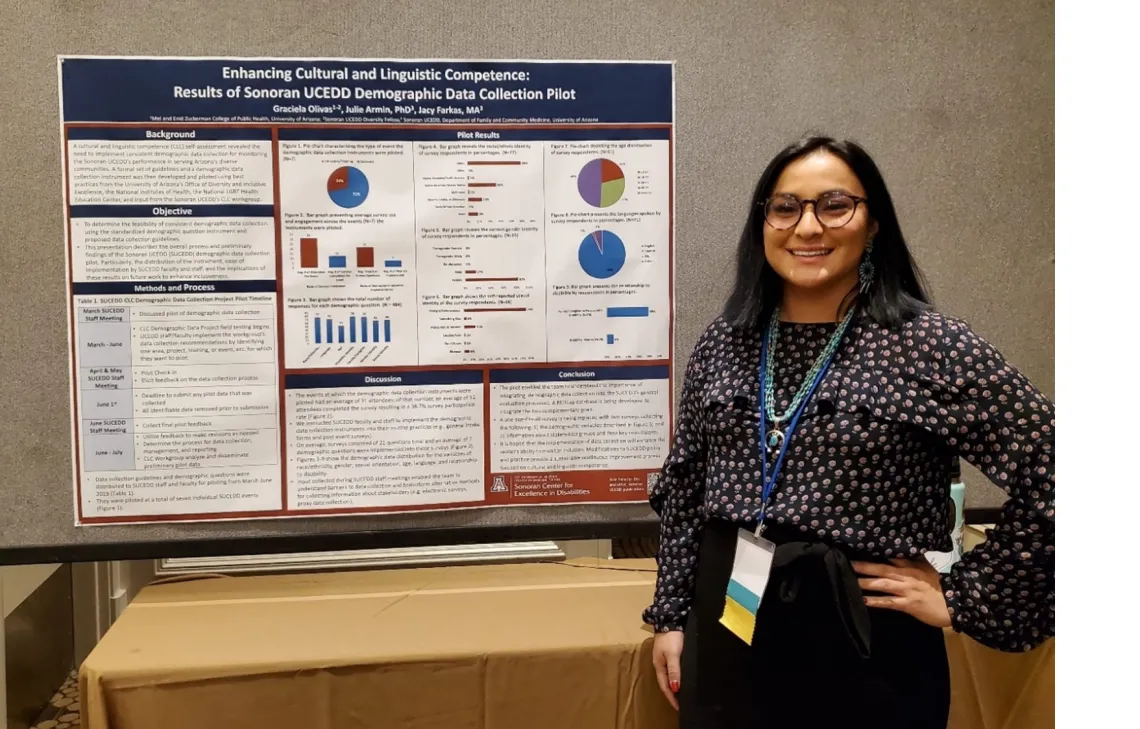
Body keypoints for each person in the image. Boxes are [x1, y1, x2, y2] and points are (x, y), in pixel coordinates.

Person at [643, 135, 1054, 729]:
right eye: (786, 208)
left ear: (874, 223)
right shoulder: (725, 343)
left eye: (834, 205)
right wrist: (672, 616)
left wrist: (967, 596)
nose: (807, 227)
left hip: (865, 640)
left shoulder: (928, 346)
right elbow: (685, 491)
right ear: (764, 224)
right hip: (730, 621)